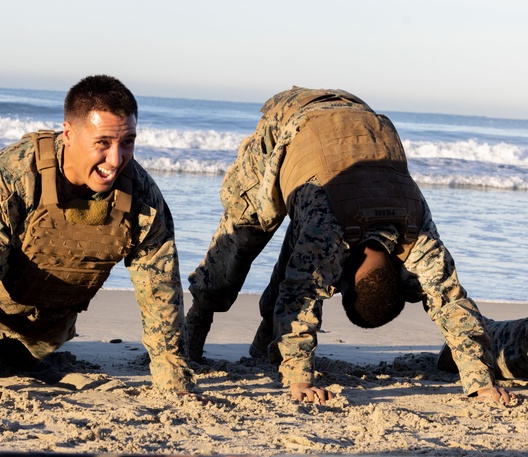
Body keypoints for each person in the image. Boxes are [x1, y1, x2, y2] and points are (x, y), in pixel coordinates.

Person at [184, 86, 513, 406]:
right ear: (343, 277)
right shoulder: (332, 231)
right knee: (243, 234)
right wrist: (300, 378)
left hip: (356, 120)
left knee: (306, 246)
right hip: (291, 121)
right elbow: (300, 295)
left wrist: (480, 383)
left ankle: (264, 349)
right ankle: (191, 337)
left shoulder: (417, 232)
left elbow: (449, 301)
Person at [0, 74, 195, 399]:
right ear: (69, 134)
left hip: (42, 328)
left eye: (127, 142)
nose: (116, 159)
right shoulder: (11, 176)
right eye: (102, 143)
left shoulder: (139, 195)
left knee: (19, 361)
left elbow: (161, 292)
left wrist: (176, 385)